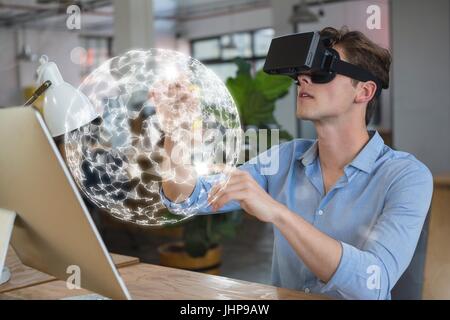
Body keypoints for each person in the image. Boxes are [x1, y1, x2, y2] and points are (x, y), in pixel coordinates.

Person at [155, 27, 433, 300]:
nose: (303, 79)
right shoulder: (285, 159)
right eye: (301, 73)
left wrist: (279, 213)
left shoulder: (406, 177)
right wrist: (175, 135)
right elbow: (185, 198)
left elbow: (373, 282)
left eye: (322, 70)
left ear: (364, 92)